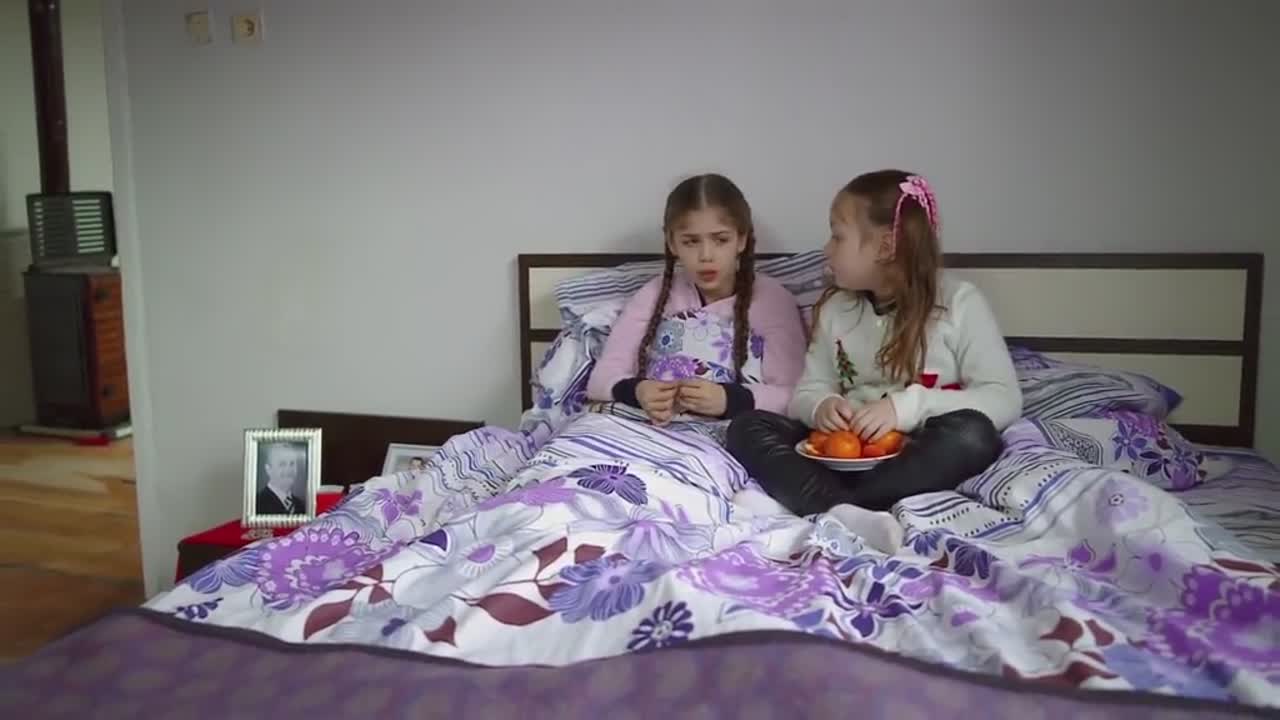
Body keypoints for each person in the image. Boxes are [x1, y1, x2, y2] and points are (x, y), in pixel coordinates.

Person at [727, 170, 1020, 548]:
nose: (827, 249)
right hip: (842, 452)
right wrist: (821, 406)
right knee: (747, 427)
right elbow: (808, 390)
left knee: (973, 435)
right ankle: (844, 510)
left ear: (884, 247)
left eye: (837, 236)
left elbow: (1003, 398)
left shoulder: (960, 303)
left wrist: (903, 408)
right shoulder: (836, 309)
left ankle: (821, 506)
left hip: (915, 455)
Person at [586, 173, 806, 424]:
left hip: (727, 434)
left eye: (721, 240)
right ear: (672, 243)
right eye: (691, 242)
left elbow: (795, 395)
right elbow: (600, 380)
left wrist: (728, 399)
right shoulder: (654, 294)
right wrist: (638, 391)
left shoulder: (772, 301)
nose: (706, 255)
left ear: (741, 239)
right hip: (648, 428)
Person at [256, 442, 306, 515]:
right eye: (282, 464)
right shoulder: (258, 503)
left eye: (292, 463)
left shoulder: (301, 505)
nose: (288, 470)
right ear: (268, 469)